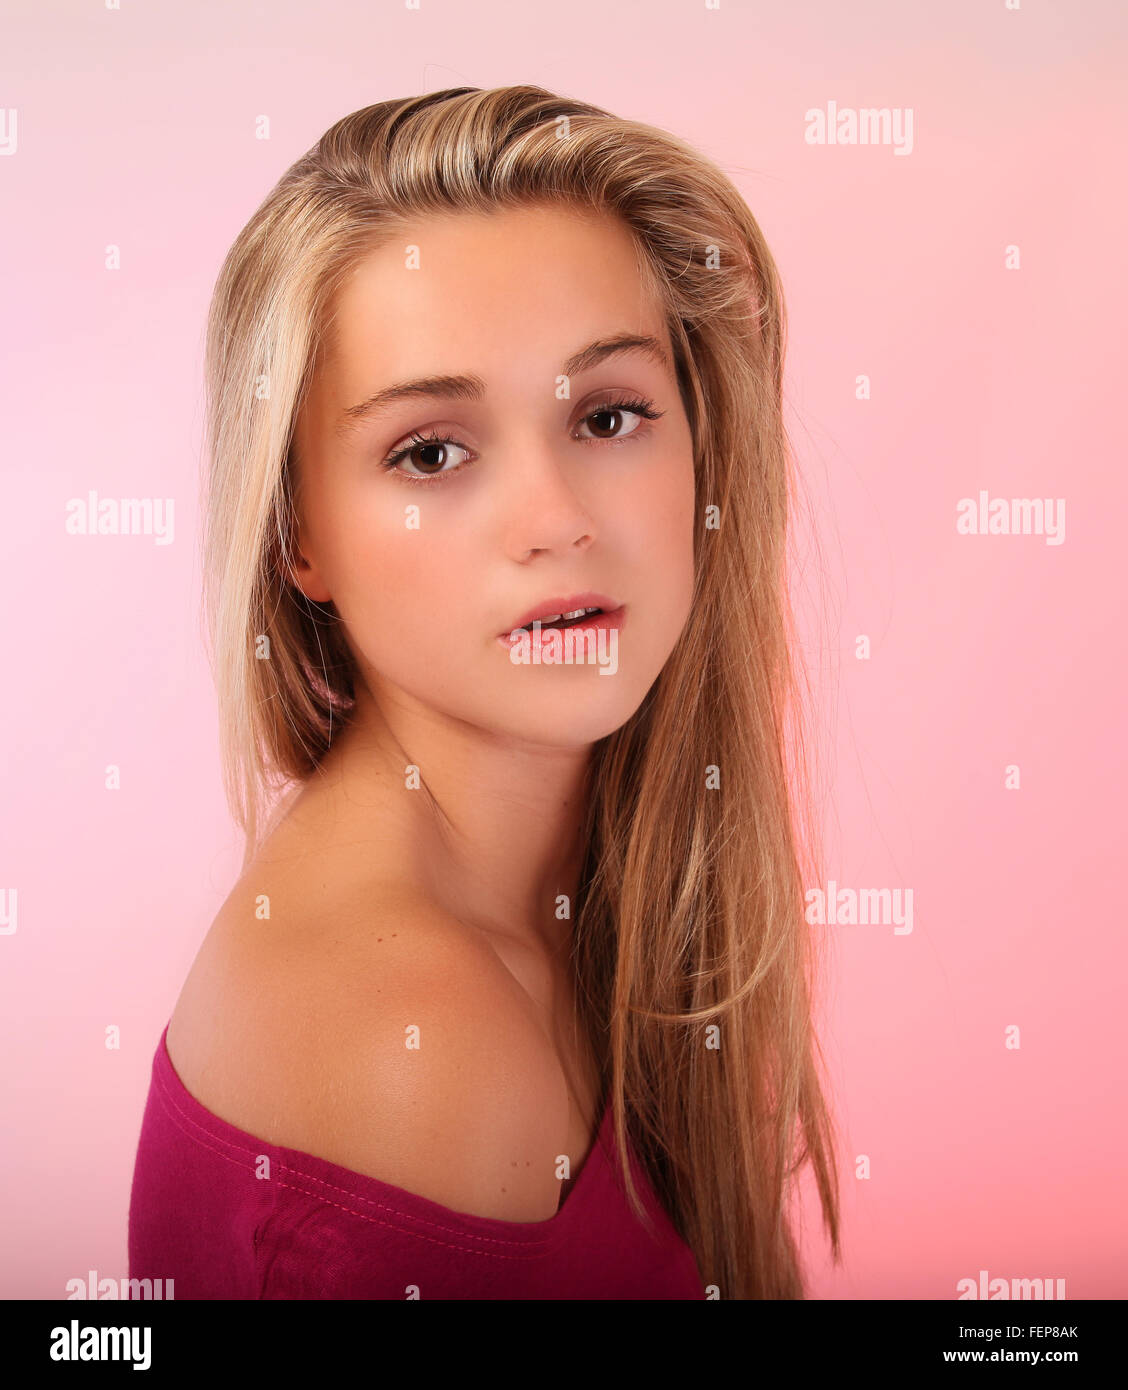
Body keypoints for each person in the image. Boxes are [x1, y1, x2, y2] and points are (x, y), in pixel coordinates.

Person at [128, 84, 841, 1300]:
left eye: (608, 415)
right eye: (432, 451)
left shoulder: (574, 892)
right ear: (297, 533)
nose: (557, 519)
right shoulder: (417, 1045)